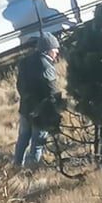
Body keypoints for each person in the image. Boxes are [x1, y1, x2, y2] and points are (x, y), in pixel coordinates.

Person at [15, 32, 64, 168]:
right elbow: (52, 91)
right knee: (37, 143)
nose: (57, 53)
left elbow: (19, 85)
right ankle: (31, 170)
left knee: (23, 139)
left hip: (25, 108)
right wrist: (59, 108)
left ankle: (17, 165)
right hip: (41, 112)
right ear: (48, 49)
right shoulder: (47, 67)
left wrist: (27, 99)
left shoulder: (25, 62)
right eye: (55, 50)